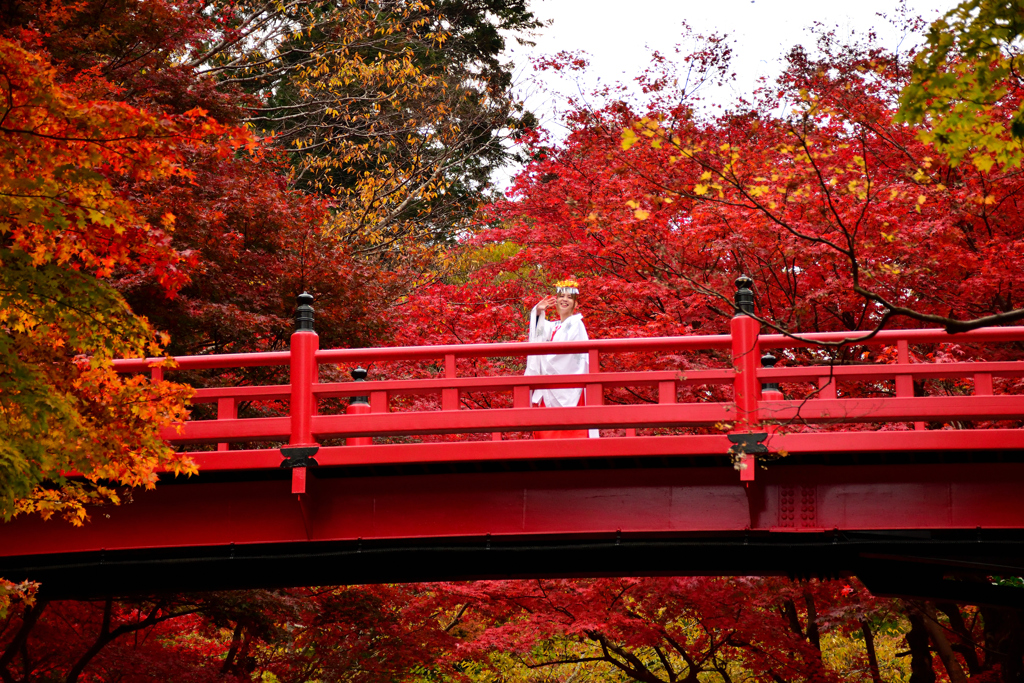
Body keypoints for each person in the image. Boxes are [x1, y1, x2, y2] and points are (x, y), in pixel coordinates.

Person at [525, 279, 599, 439]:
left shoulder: (576, 324)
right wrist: (538, 311)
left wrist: (544, 360)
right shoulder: (553, 326)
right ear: (556, 301)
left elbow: (566, 357)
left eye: (569, 297)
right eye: (561, 296)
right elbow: (537, 334)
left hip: (568, 386)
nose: (564, 300)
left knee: (570, 431)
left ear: (575, 304)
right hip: (548, 387)